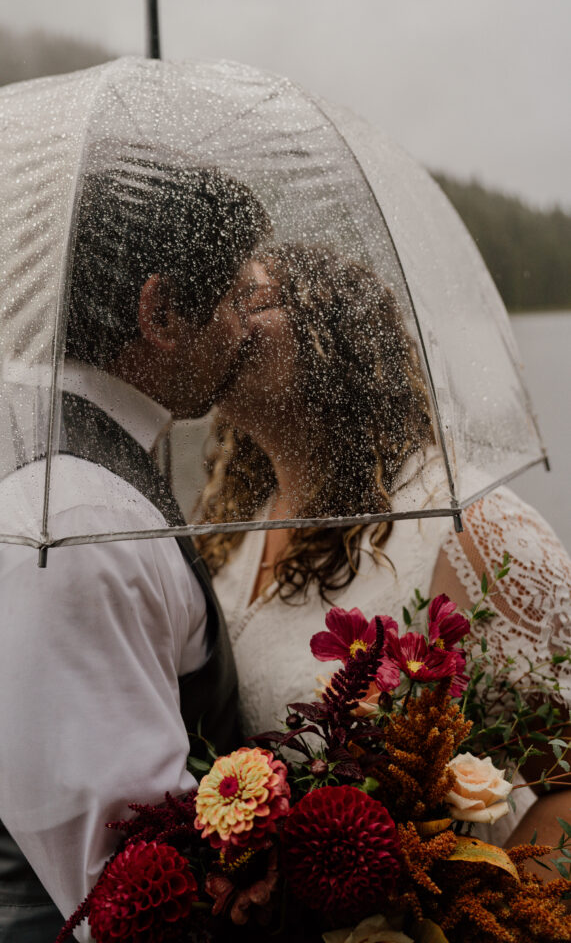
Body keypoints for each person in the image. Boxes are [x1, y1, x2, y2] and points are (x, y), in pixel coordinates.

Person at [0, 159, 271, 941]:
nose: (248, 325)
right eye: (236, 298)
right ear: (160, 313)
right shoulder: (73, 526)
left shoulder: (34, 431)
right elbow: (131, 895)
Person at [197, 241, 571, 848]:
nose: (218, 319)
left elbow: (566, 779)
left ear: (332, 330)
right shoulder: (235, 526)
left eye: (249, 298)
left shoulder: (464, 528)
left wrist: (493, 920)